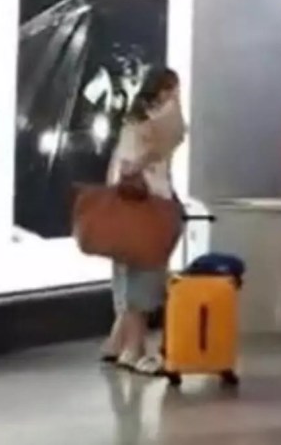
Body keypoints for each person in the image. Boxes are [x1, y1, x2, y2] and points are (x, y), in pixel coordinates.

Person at [100, 66, 186, 376]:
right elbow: (140, 162)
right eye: (173, 89)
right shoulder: (153, 127)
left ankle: (117, 344)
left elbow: (119, 166)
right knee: (143, 281)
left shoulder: (131, 123)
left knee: (127, 279)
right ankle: (134, 350)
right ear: (163, 91)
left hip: (126, 209)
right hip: (147, 209)